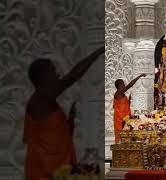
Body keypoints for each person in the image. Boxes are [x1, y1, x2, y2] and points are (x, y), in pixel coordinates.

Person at [23, 46, 105, 180]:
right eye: (53, 71)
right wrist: (97, 53)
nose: (58, 75)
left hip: (61, 168)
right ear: (43, 77)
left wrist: (70, 121)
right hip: (42, 171)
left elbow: (60, 137)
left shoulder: (48, 101)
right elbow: (72, 77)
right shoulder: (40, 100)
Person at [113, 74, 146, 143]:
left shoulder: (121, 94)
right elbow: (129, 86)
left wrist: (129, 101)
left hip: (126, 117)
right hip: (120, 119)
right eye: (123, 84)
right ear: (119, 85)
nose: (124, 85)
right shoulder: (118, 92)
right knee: (122, 135)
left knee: (128, 134)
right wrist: (139, 76)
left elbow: (123, 105)